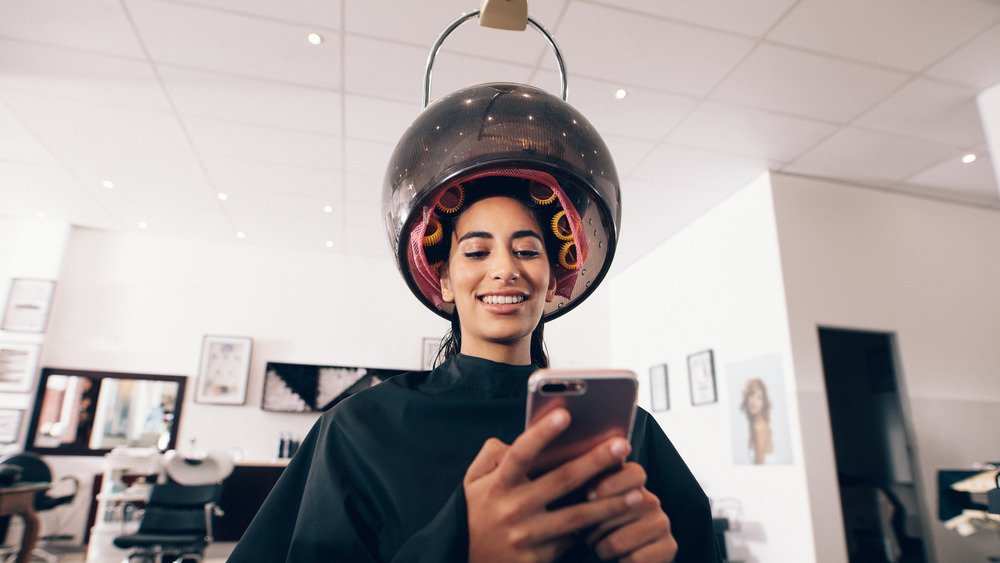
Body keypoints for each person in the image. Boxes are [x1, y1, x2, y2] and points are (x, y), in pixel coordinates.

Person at [228, 82, 721, 562]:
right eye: (478, 250)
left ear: (553, 283)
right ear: (443, 280)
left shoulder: (627, 433)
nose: (504, 268)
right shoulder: (358, 432)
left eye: (527, 250)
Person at [739, 378, 774, 465]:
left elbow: (760, 467)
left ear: (763, 403)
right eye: (751, 395)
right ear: (747, 397)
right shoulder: (753, 423)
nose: (754, 401)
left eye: (759, 398)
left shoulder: (759, 426)